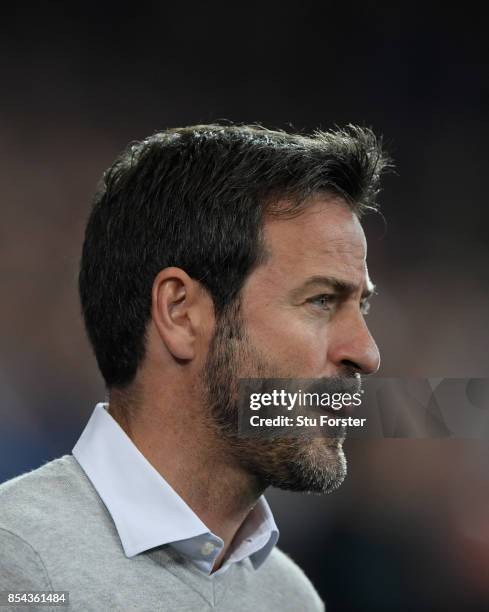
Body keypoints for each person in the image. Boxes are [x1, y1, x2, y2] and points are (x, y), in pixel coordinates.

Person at [0, 123, 389, 611]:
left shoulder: (288, 598)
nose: (367, 352)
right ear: (181, 313)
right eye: (321, 300)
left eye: (362, 308)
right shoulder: (19, 564)